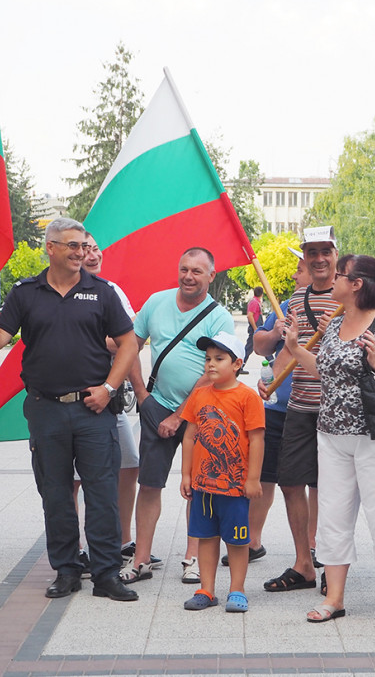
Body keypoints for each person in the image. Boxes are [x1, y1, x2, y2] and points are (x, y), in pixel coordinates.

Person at [0, 217, 138, 601]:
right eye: (72, 246)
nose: (81, 253)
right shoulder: (26, 293)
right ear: (50, 247)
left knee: (101, 494)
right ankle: (66, 570)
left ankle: (106, 573)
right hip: (46, 409)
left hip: (94, 410)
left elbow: (129, 343)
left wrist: (109, 387)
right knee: (56, 493)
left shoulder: (102, 292)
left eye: (84, 246)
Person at [284, 254, 375, 628]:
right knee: (333, 516)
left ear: (356, 283)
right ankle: (334, 599)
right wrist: (298, 350)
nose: (335, 280)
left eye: (340, 275)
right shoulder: (336, 324)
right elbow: (327, 372)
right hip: (331, 436)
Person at [123, 247, 234, 585]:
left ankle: (193, 558)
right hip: (156, 405)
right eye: (184, 268)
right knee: (150, 483)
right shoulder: (156, 302)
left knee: (199, 487)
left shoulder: (220, 316)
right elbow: (131, 345)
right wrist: (142, 394)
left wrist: (180, 416)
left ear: (211, 276)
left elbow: (215, 371)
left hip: (203, 412)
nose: (189, 276)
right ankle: (141, 558)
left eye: (197, 271)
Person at [265, 226, 340, 593]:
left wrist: (337, 331)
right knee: (290, 482)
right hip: (298, 407)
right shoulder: (296, 301)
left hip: (338, 411)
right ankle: (304, 564)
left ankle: (332, 568)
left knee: (331, 489)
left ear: (336, 254)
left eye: (325, 251)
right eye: (312, 252)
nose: (319, 259)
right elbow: (286, 351)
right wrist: (271, 381)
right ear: (305, 258)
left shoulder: (350, 297)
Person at [227, 256, 313, 568]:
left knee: (315, 482)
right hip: (277, 407)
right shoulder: (286, 305)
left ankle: (313, 546)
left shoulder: (338, 307)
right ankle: (252, 541)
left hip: (316, 409)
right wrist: (276, 332)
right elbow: (260, 346)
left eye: (299, 270)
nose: (294, 274)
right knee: (265, 476)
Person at [179, 332, 265, 612]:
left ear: (237, 363)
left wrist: (252, 478)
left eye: (219, 359)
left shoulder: (247, 397)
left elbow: (257, 440)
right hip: (203, 487)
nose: (211, 364)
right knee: (205, 537)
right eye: (207, 359)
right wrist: (186, 475)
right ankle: (206, 589)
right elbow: (190, 437)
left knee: (238, 541)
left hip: (235, 487)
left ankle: (237, 590)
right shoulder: (199, 395)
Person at [77, 233, 149, 569]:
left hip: (110, 396)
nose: (90, 254)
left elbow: (132, 341)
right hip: (71, 399)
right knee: (72, 477)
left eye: (94, 248)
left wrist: (137, 388)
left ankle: (122, 541)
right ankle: (76, 547)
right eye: (83, 248)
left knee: (129, 463)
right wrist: (111, 341)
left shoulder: (111, 291)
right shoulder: (58, 292)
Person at [240, 286, 264, 375]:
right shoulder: (254, 302)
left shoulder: (256, 302)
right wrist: (255, 328)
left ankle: (272, 363)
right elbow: (250, 315)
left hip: (257, 328)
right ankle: (240, 366)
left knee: (262, 346)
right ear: (262, 294)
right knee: (249, 347)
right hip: (255, 328)